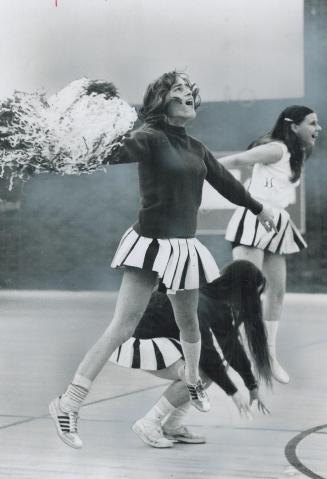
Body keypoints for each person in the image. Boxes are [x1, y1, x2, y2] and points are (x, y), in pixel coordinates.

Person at [49, 71, 275, 449]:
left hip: (182, 247)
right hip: (149, 244)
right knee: (122, 326)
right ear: (161, 100)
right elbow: (111, 151)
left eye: (190, 91)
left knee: (190, 327)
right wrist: (72, 143)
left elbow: (226, 183)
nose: (187, 94)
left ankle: (191, 380)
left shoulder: (197, 147)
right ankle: (67, 403)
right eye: (178, 89)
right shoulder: (148, 137)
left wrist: (258, 207)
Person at [109, 260, 272, 448]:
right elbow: (207, 355)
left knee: (206, 371)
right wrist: (233, 393)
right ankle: (149, 422)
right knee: (198, 373)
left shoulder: (217, 302)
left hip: (158, 341)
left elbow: (231, 346)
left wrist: (251, 385)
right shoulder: (199, 299)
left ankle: (172, 425)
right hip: (136, 344)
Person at [219, 105, 321, 384]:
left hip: (277, 222)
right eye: (312, 123)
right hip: (254, 217)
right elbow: (239, 159)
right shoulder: (276, 149)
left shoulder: (299, 152)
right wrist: (201, 171)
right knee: (247, 293)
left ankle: (268, 356)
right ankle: (224, 348)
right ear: (293, 126)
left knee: (277, 292)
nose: (318, 128)